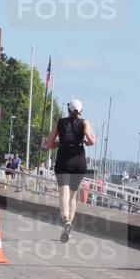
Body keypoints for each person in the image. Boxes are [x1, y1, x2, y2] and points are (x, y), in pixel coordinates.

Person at [46, 98, 96, 242]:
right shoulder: (84, 122)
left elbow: (49, 144)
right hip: (79, 161)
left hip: (63, 160)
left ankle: (66, 220)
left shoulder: (60, 122)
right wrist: (85, 142)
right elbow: (92, 141)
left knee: (63, 193)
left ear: (68, 110)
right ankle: (68, 228)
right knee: (73, 196)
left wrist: (60, 144)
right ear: (80, 111)